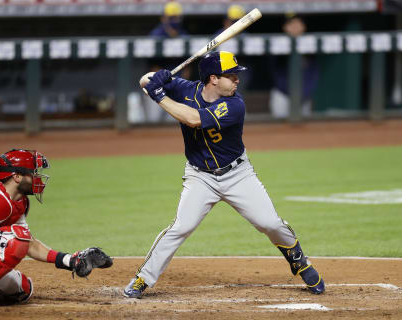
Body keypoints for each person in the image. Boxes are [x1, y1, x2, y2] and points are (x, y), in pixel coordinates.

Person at [123, 51, 325, 299]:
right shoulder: (185, 89)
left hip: (238, 175)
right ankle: (143, 278)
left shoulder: (235, 104)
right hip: (200, 177)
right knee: (180, 228)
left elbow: (193, 119)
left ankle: (299, 260)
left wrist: (159, 95)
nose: (237, 80)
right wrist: (157, 77)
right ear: (213, 79)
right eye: (231, 76)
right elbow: (145, 80)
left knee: (270, 223)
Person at [0, 149, 113, 310]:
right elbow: (19, 240)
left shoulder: (19, 202)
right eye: (33, 173)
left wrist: (70, 261)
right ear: (16, 177)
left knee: (23, 290)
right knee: (15, 240)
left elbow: (29, 243)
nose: (38, 178)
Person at [143, 1, 190, 123]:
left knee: (174, 124)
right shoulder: (155, 35)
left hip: (177, 86)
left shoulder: (184, 35)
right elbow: (152, 65)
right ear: (163, 18)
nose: (175, 20)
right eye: (172, 17)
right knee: (153, 121)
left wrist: (181, 86)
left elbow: (187, 67)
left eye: (177, 17)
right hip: (157, 85)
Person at [269, 13, 319, 119]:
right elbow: (275, 72)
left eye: (298, 23)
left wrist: (306, 92)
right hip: (283, 94)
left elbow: (314, 73)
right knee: (279, 128)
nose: (295, 27)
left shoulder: (311, 46)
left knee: (304, 130)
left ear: (304, 26)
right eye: (291, 24)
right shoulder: (278, 45)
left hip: (304, 96)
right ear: (285, 27)